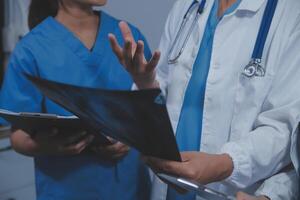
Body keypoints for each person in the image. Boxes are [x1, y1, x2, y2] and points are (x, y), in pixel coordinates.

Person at [109, 0, 300, 199]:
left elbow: (283, 129)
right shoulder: (187, 5)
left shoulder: (291, 14)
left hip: (232, 190)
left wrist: (224, 165)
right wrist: (145, 83)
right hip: (166, 186)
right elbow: (167, 92)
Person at [0, 0, 152, 199]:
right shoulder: (31, 49)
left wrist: (132, 137)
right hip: (66, 190)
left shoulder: (128, 36)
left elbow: (152, 112)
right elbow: (17, 135)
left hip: (131, 188)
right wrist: (47, 146)